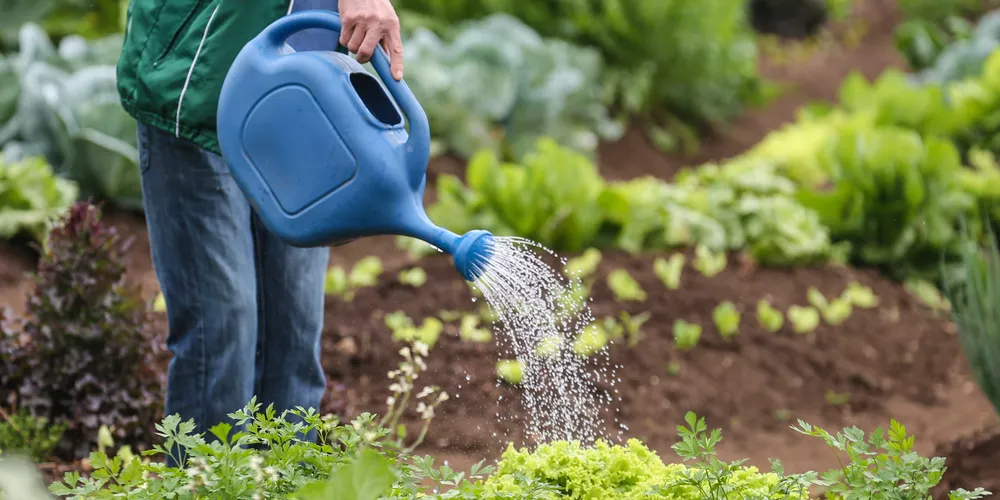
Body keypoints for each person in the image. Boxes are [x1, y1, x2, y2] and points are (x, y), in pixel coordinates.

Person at [115, 0, 404, 465]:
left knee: (293, 332)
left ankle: (286, 486)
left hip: (304, 95)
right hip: (201, 71)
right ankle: (204, 490)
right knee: (222, 328)